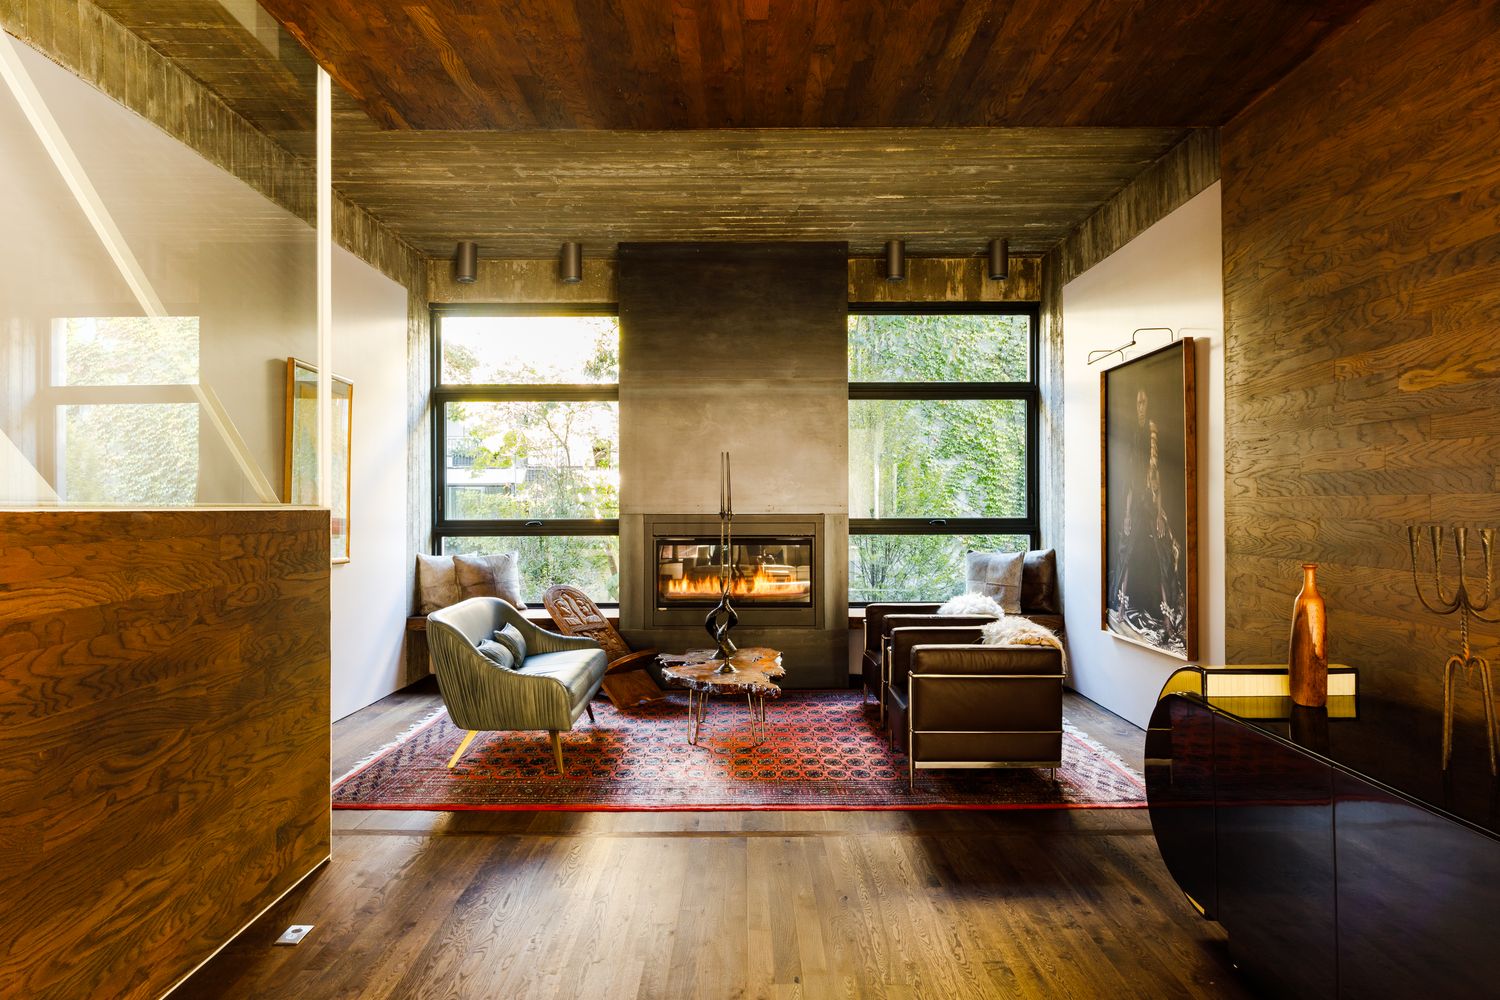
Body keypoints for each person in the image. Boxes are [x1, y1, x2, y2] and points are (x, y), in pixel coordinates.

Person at [1111, 387, 1184, 645]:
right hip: (1138, 503)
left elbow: (1156, 478)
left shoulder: (1151, 431)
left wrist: (1160, 513)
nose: (1141, 405)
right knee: (1128, 552)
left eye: (1144, 401)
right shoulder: (1134, 439)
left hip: (1151, 503)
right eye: (1138, 401)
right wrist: (1129, 515)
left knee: (1162, 553)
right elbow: (1131, 482)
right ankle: (1120, 610)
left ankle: (1167, 618)